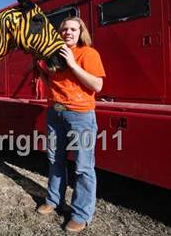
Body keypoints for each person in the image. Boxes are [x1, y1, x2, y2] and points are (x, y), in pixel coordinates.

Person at [36, 17, 106, 233]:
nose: (68, 32)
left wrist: (73, 65)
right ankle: (53, 200)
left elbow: (97, 84)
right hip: (55, 114)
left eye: (73, 29)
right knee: (54, 159)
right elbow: (46, 77)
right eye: (64, 29)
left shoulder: (88, 53)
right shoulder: (51, 55)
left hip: (80, 115)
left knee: (83, 166)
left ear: (80, 32)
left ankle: (81, 214)